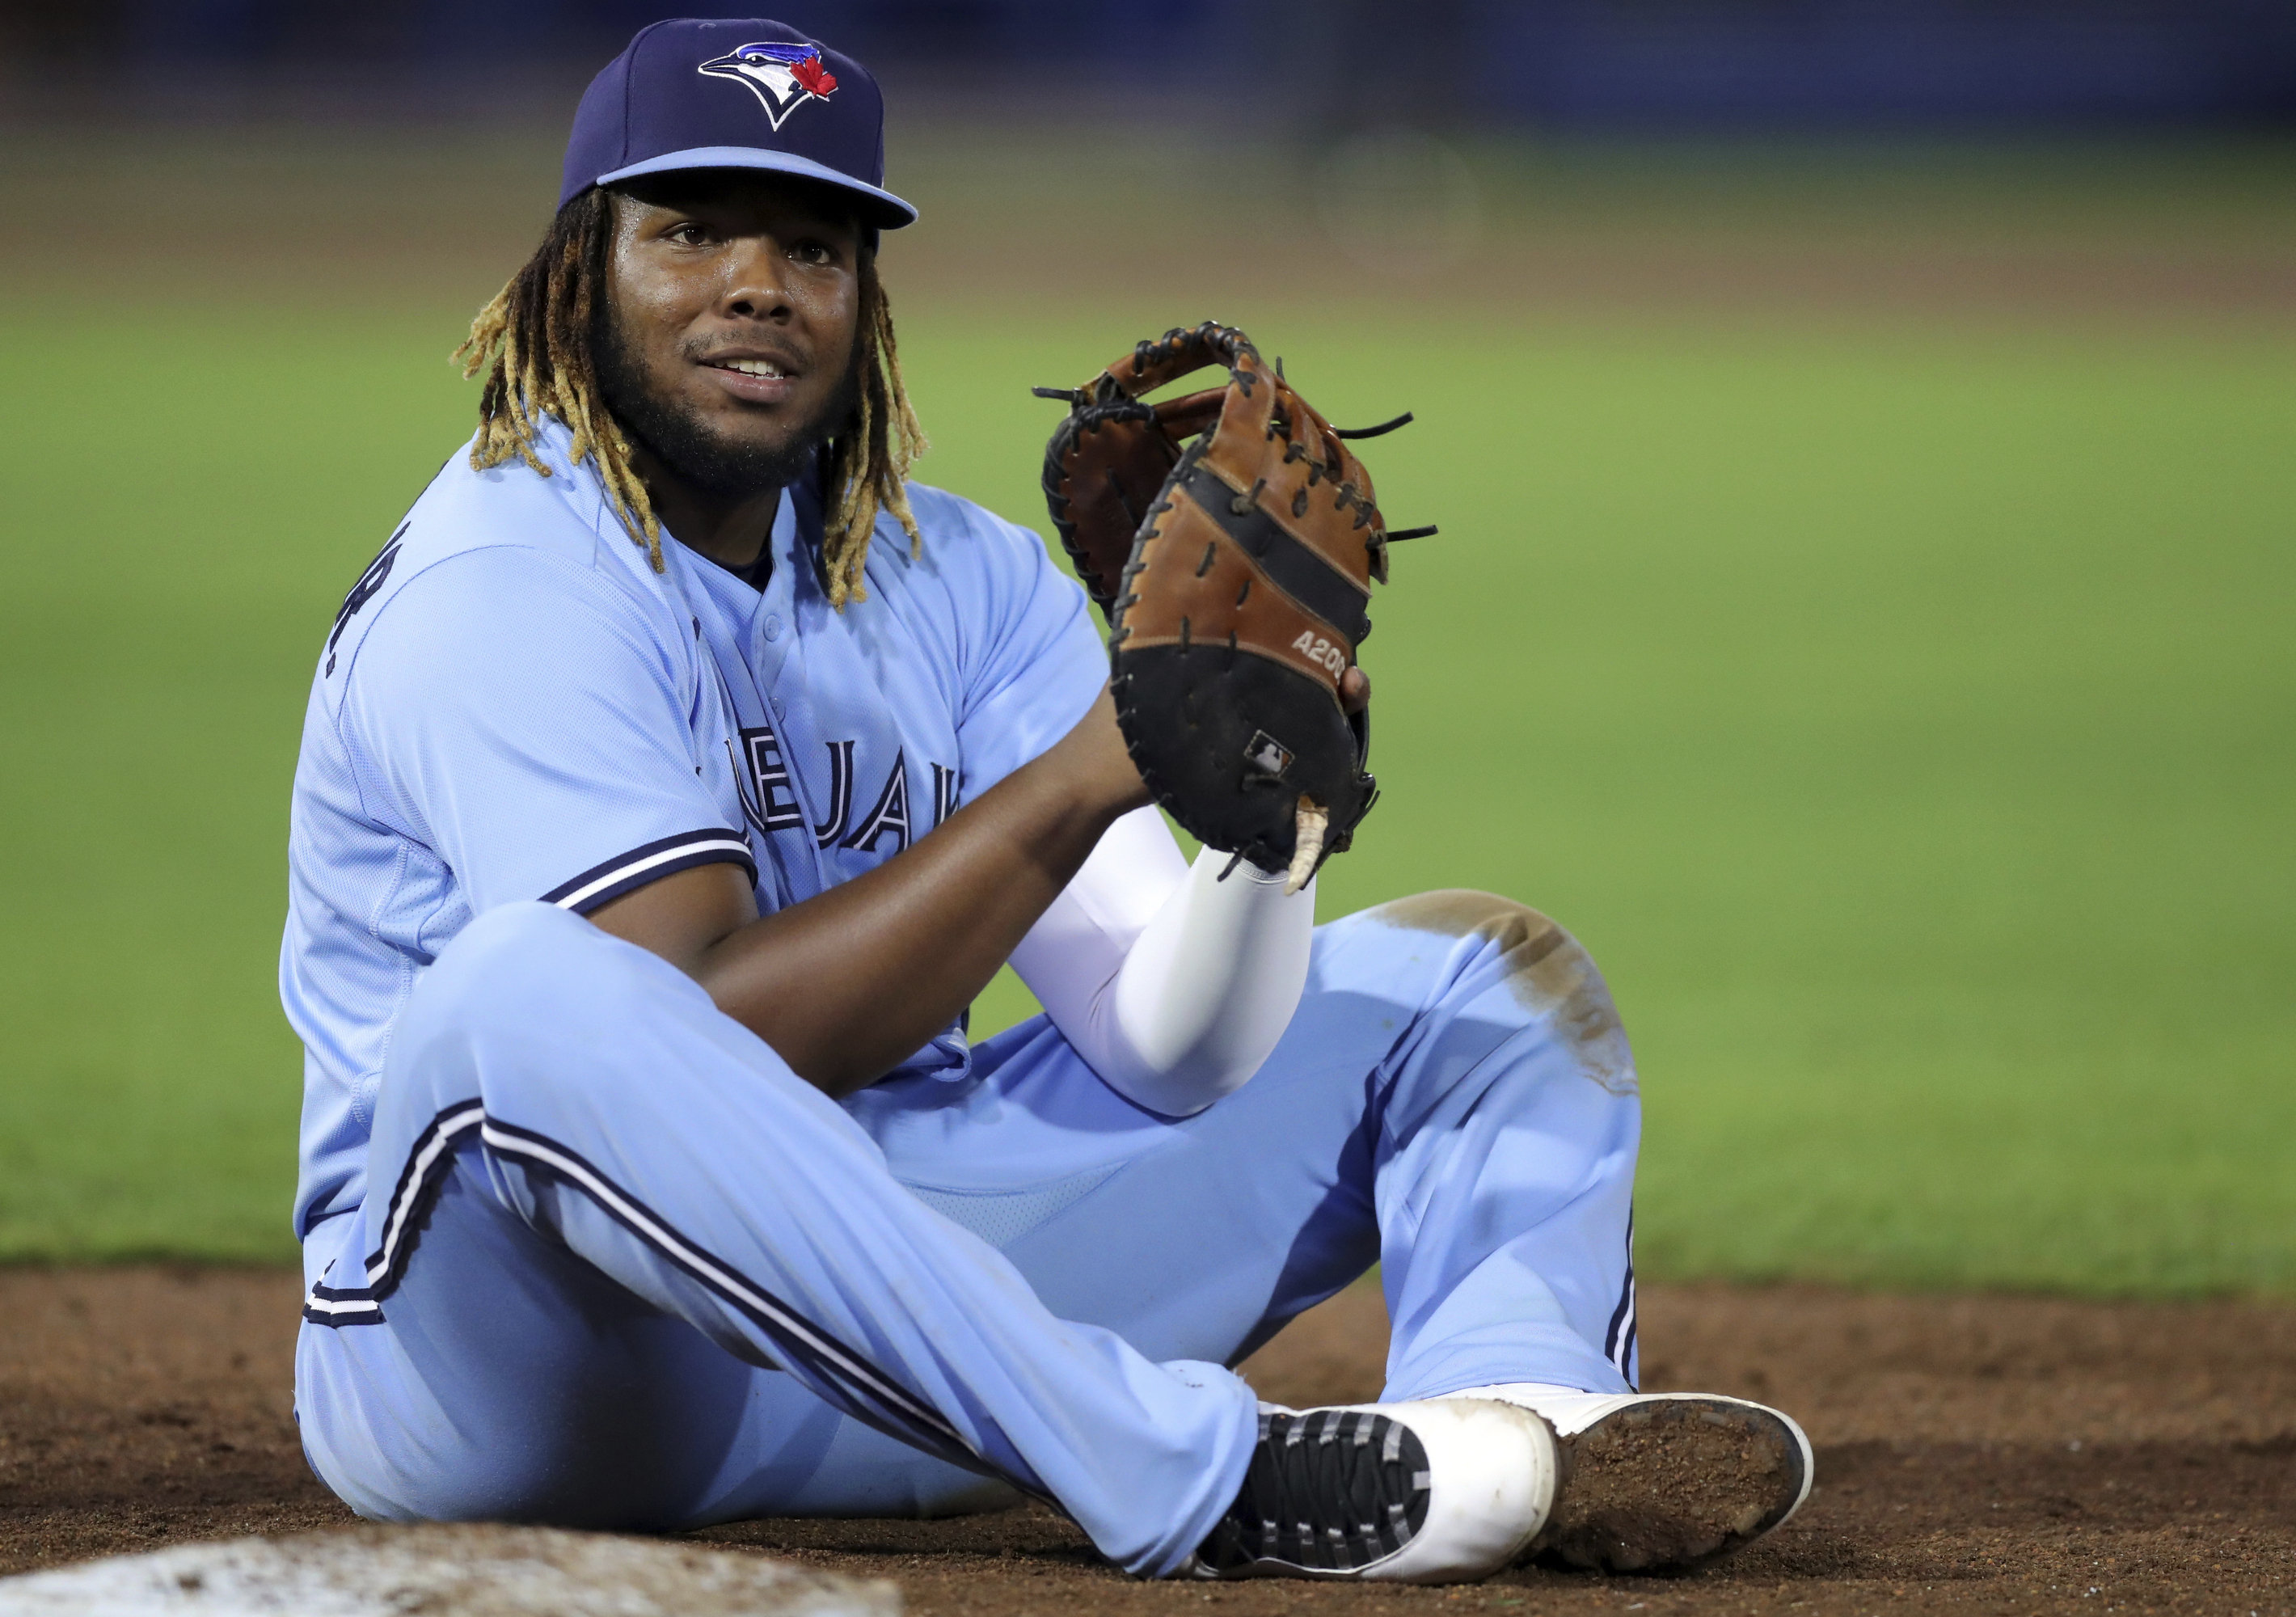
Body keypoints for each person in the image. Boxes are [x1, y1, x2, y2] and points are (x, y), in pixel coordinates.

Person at [281, 16, 1812, 1582]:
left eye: (813, 246)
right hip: (533, 1375)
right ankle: (1199, 1478)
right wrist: (1078, 777)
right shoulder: (508, 576)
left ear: (862, 300)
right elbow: (702, 1026)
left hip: (892, 1345)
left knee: (1474, 987)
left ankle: (1508, 1442)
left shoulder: (961, 575)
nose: (755, 282)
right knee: (531, 991)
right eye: (688, 232)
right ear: (574, 272)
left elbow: (1173, 1043)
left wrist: (1260, 833)